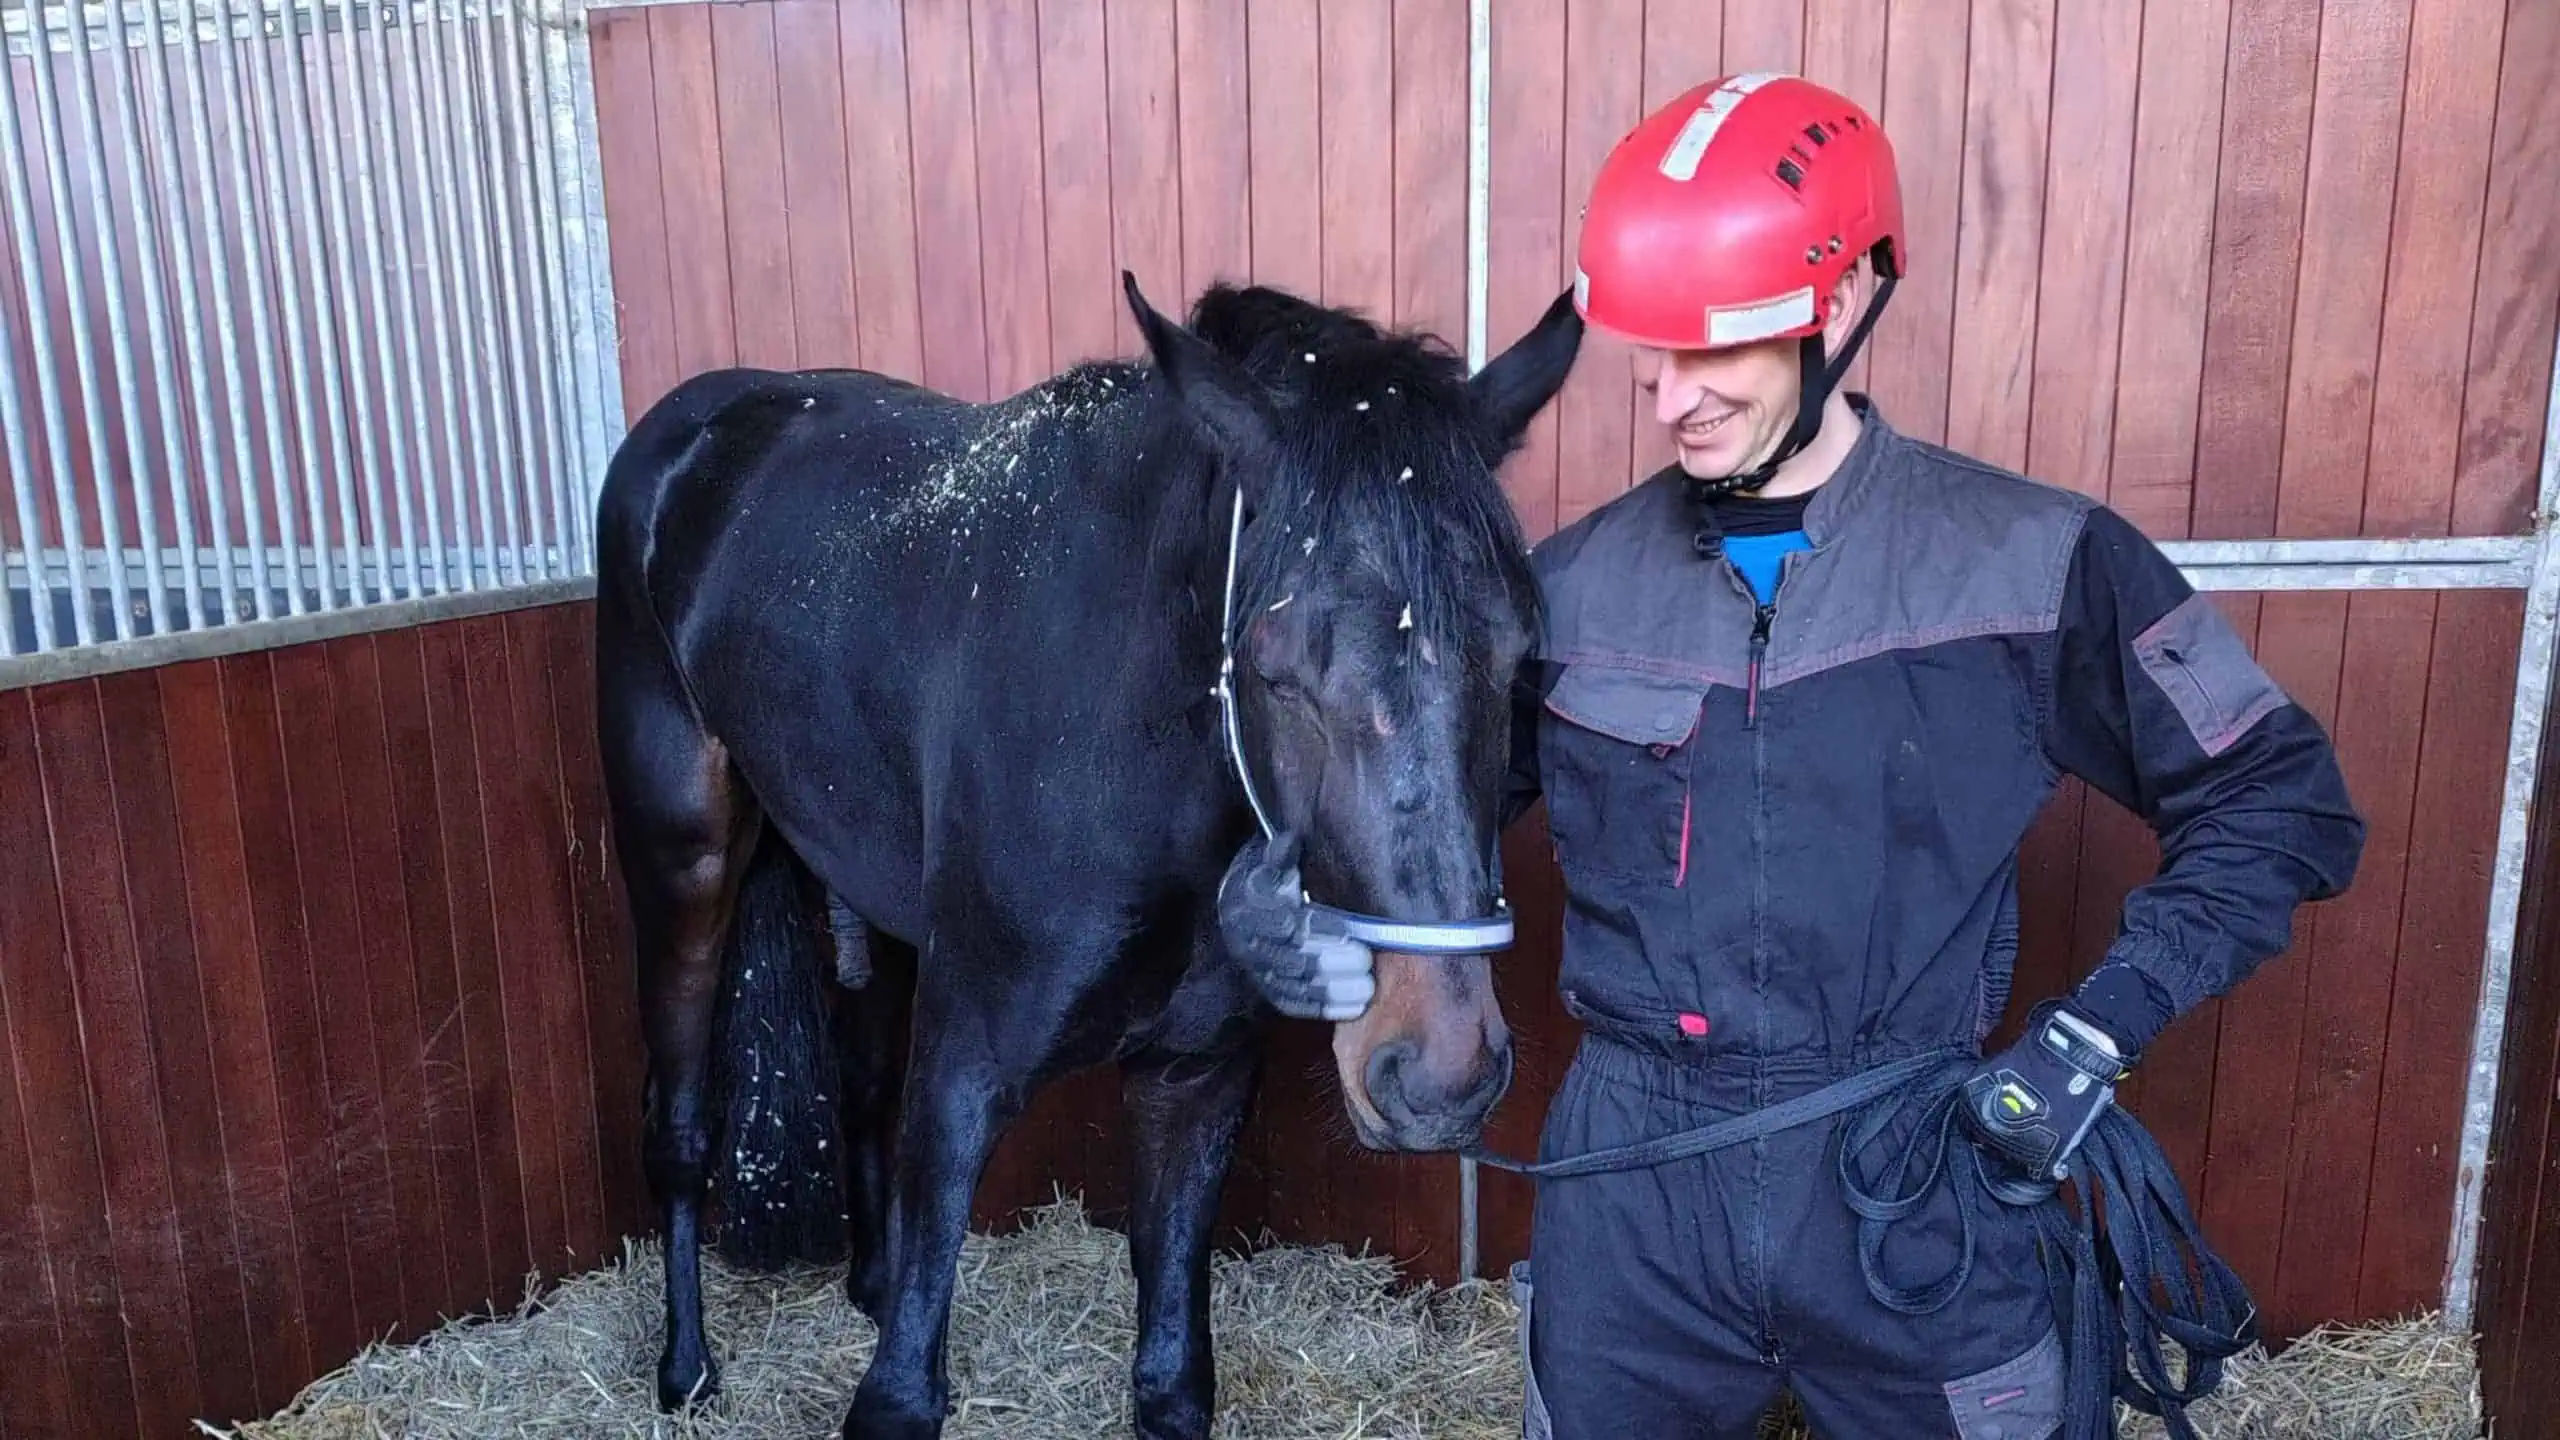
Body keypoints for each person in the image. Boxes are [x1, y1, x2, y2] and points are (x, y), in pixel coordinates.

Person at [1219, 71, 2368, 1438]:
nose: (1671, 401)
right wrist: (1280, 903)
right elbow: (1414, 814)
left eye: (1716, 353)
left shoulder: (2034, 564)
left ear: (1841, 301)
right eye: (1653, 356)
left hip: (1917, 1176)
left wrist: (2092, 1037)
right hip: (1634, 1199)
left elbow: (2282, 802)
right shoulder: (1563, 594)